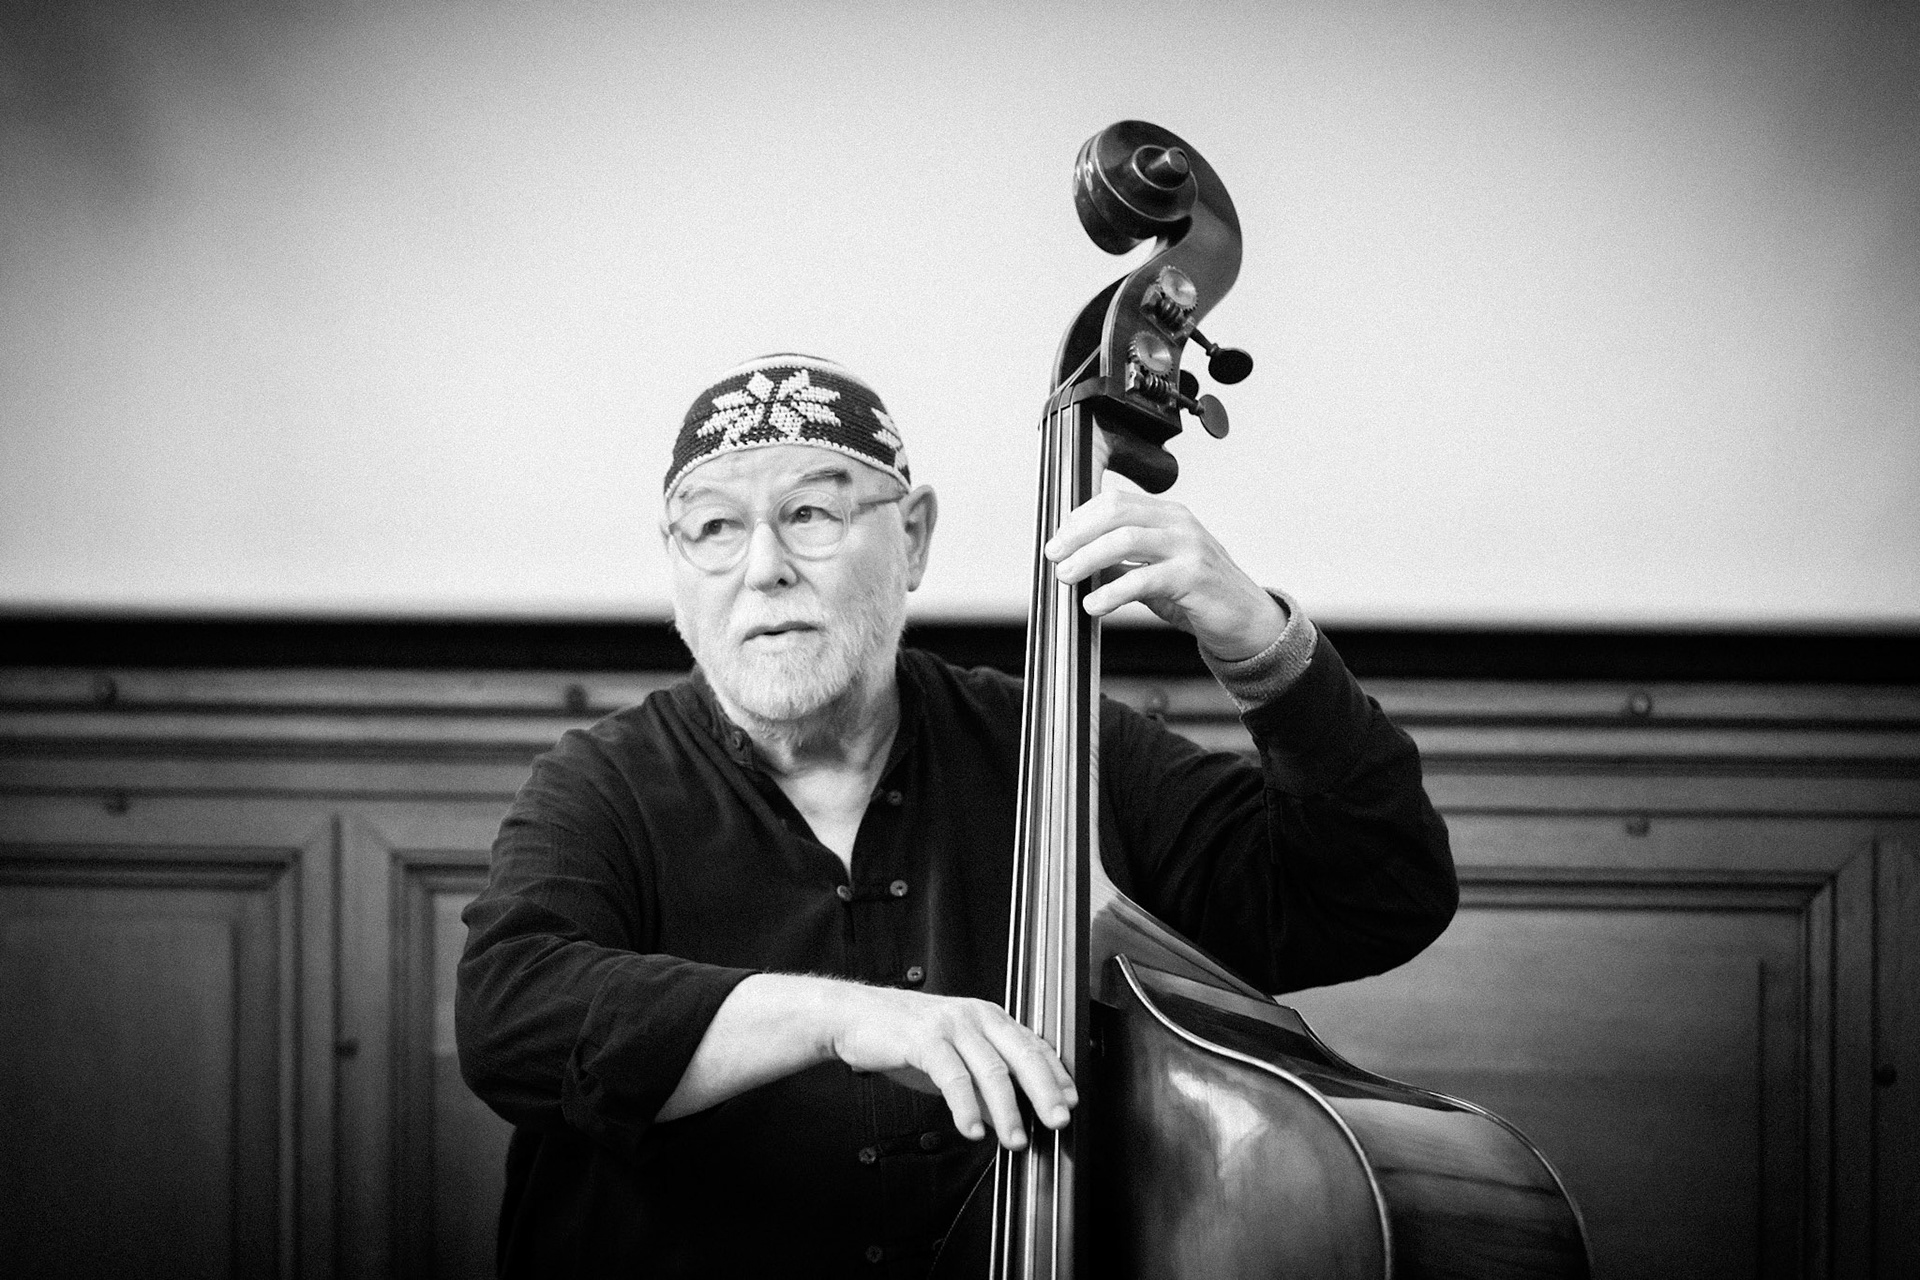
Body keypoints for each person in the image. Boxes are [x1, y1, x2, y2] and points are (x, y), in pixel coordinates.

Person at [456, 354, 1456, 1277]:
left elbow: (1374, 894)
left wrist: (1257, 638)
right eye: (714, 527)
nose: (763, 567)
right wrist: (841, 1017)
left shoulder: (1063, 751)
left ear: (914, 537)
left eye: (811, 513)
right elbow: (512, 1019)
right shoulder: (599, 784)